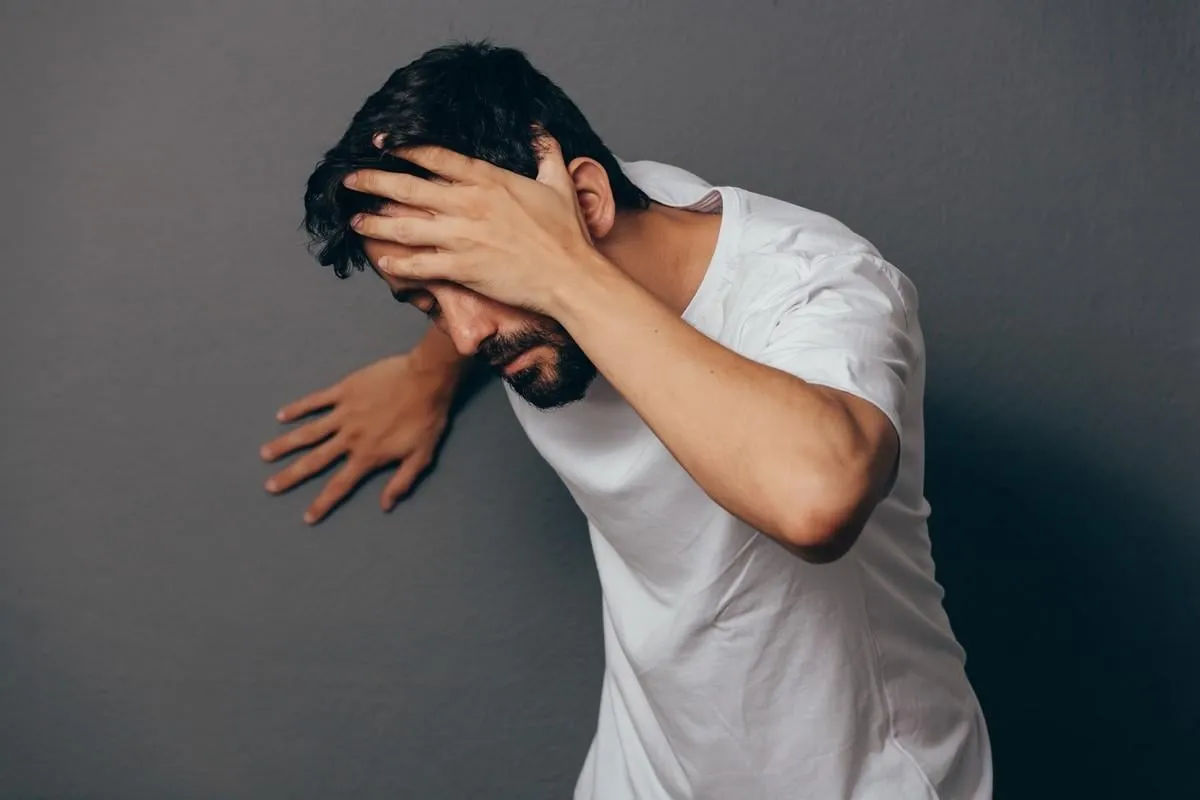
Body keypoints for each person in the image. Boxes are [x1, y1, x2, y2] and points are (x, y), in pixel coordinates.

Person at [260, 41, 992, 799]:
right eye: (428, 303)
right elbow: (474, 299)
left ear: (586, 207)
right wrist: (423, 378)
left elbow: (816, 501)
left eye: (474, 279)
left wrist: (561, 274)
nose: (466, 335)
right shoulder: (559, 251)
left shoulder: (817, 284)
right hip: (644, 774)